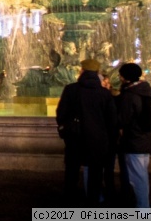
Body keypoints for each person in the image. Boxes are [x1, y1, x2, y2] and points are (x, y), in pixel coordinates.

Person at [56, 58, 118, 206]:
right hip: (98, 141)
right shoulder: (104, 94)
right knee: (95, 174)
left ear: (82, 71)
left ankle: (69, 203)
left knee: (71, 173)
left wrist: (65, 130)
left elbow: (61, 114)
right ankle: (92, 204)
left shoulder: (71, 90)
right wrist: (111, 140)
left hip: (75, 138)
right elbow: (112, 121)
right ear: (97, 73)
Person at [116, 62, 151, 208]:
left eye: (120, 74)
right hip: (145, 139)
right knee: (141, 175)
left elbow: (123, 119)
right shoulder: (145, 91)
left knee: (138, 179)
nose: (119, 77)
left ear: (125, 77)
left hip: (133, 141)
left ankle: (143, 209)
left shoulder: (130, 95)